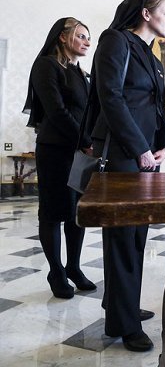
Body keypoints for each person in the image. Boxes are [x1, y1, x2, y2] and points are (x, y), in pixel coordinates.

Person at [87, 0, 165, 352]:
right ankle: (124, 325)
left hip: (147, 157)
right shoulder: (116, 40)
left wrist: (163, 143)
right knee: (123, 237)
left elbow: (156, 107)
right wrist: (140, 148)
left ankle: (122, 304)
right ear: (146, 13)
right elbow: (111, 96)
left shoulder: (152, 56)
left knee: (137, 234)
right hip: (124, 155)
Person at [23, 17, 96, 299]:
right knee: (53, 212)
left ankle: (73, 267)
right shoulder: (46, 66)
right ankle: (56, 272)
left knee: (77, 212)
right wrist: (85, 141)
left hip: (79, 153)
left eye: (88, 37)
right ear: (63, 37)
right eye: (81, 36)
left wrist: (92, 141)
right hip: (55, 150)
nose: (87, 42)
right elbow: (56, 111)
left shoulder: (79, 72)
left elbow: (86, 113)